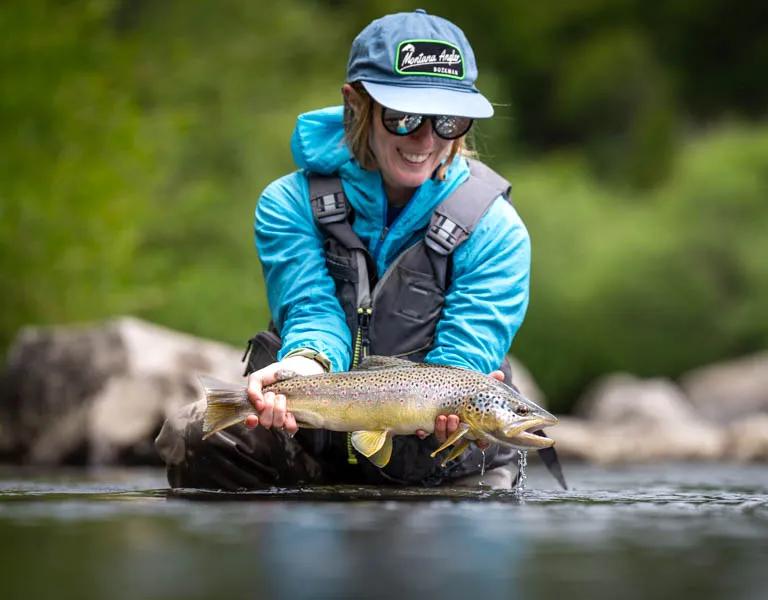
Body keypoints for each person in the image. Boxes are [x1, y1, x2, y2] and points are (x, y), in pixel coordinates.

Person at [155, 9, 530, 490]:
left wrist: (457, 403)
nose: (425, 138)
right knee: (196, 434)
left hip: (435, 456)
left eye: (447, 120)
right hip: (312, 435)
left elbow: (463, 359)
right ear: (355, 104)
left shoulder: (496, 229)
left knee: (471, 498)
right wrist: (300, 365)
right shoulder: (289, 203)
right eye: (403, 116)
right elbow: (311, 310)